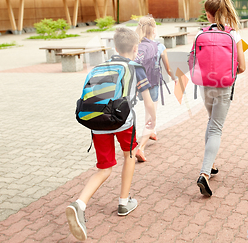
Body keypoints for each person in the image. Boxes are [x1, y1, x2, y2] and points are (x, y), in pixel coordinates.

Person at [66, 27, 156, 241]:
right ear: (135, 49)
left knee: (104, 168)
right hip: (123, 121)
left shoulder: (99, 67)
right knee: (131, 154)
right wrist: (152, 120)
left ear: (114, 47)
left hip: (97, 123)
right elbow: (148, 100)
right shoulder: (135, 67)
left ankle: (79, 204)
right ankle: (124, 202)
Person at [196, 0, 246, 197]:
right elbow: (242, 66)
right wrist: (230, 71)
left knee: (211, 122)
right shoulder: (233, 34)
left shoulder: (201, 33)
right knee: (216, 127)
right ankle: (205, 173)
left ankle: (212, 164)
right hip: (224, 85)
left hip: (204, 84)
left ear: (208, 14)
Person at [134, 15, 175, 162]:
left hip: (139, 86)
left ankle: (152, 133)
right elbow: (168, 69)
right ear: (154, 30)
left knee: (147, 110)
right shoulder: (159, 46)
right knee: (152, 117)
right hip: (153, 85)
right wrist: (175, 78)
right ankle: (141, 148)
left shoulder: (136, 46)